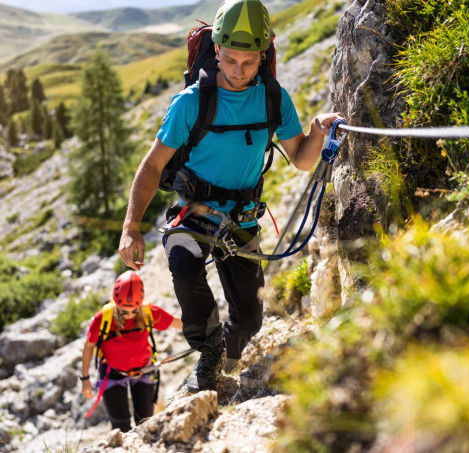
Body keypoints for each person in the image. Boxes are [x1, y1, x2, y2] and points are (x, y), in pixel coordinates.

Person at [118, 0, 344, 393]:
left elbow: (302, 159)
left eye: (249, 63)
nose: (238, 72)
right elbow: (152, 166)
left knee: (251, 318)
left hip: (242, 219)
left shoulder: (274, 99)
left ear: (264, 55)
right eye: (229, 61)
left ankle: (228, 361)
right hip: (195, 213)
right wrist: (130, 226)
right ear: (217, 50)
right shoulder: (191, 102)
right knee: (185, 266)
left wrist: (318, 130)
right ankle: (209, 354)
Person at [81, 270, 183, 432]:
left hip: (143, 370)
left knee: (146, 424)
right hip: (112, 373)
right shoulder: (103, 319)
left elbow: (179, 324)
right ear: (115, 303)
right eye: (123, 311)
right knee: (120, 427)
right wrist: (85, 378)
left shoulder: (149, 312)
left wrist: (207, 333)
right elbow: (89, 346)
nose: (129, 315)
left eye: (134, 311)